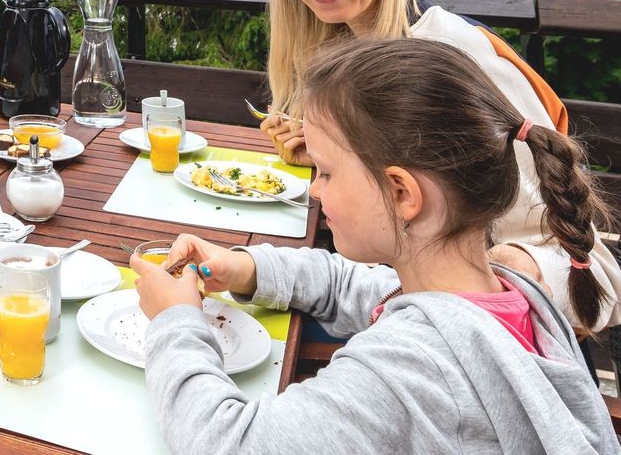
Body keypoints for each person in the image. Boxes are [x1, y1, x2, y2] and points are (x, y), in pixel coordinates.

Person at [132, 37, 620, 455]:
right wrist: (244, 268)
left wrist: (175, 321)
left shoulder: (408, 368)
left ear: (403, 194)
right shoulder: (500, 294)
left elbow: (225, 442)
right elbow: (353, 284)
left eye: (325, 171)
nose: (316, 190)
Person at [257, 0, 620, 331]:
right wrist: (337, 160)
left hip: (484, 344)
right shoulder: (346, 48)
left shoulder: (455, 56)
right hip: (392, 303)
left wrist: (495, 277)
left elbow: (589, 269)